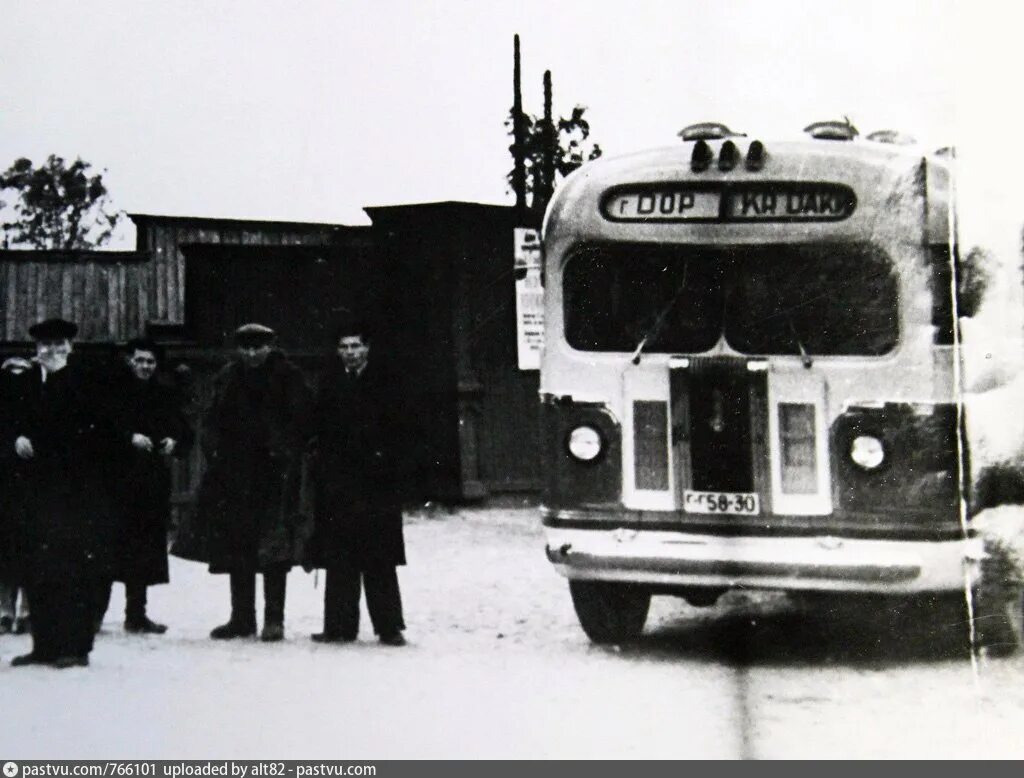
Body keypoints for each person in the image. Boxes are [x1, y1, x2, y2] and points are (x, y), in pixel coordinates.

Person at [4, 318, 118, 668]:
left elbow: (90, 426)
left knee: (73, 570)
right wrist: (15, 438)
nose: (50, 352)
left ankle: (75, 646)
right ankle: (44, 645)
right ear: (34, 349)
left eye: (58, 345)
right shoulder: (24, 382)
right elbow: (9, 418)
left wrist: (61, 376)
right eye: (44, 346)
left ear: (71, 347)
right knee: (39, 568)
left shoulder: (86, 380)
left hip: (77, 491)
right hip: (36, 490)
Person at [193, 324, 311, 642]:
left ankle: (274, 620)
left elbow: (302, 422)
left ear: (271, 346)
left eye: (258, 347)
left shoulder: (289, 376)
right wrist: (214, 450)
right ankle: (242, 618)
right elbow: (210, 419)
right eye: (245, 348)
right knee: (238, 546)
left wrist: (283, 451)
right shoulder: (228, 377)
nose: (251, 353)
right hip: (235, 475)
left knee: (274, 548)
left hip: (274, 476)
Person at [306, 319, 408, 646]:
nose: (350, 353)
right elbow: (319, 429)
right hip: (339, 483)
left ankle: (389, 627)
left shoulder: (386, 383)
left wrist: (384, 463)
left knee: (379, 557)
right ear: (338, 351)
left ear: (367, 348)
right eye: (344, 347)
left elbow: (400, 430)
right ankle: (339, 626)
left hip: (377, 483)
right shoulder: (329, 383)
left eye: (356, 346)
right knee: (340, 556)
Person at [94, 338, 193, 634]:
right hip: (116, 482)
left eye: (150, 362)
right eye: (139, 361)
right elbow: (100, 430)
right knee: (107, 549)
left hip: (150, 483)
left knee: (143, 550)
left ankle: (136, 615)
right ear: (130, 361)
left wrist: (173, 443)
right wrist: (129, 438)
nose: (145, 367)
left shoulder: (164, 396)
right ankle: (94, 615)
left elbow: (185, 434)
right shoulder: (113, 393)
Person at [0, 356, 32, 636]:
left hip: (32, 487)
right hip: (5, 486)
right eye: (11, 374)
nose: (17, 379)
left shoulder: (38, 408)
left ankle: (26, 610)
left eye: (24, 374)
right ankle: (4, 609)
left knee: (30, 547)